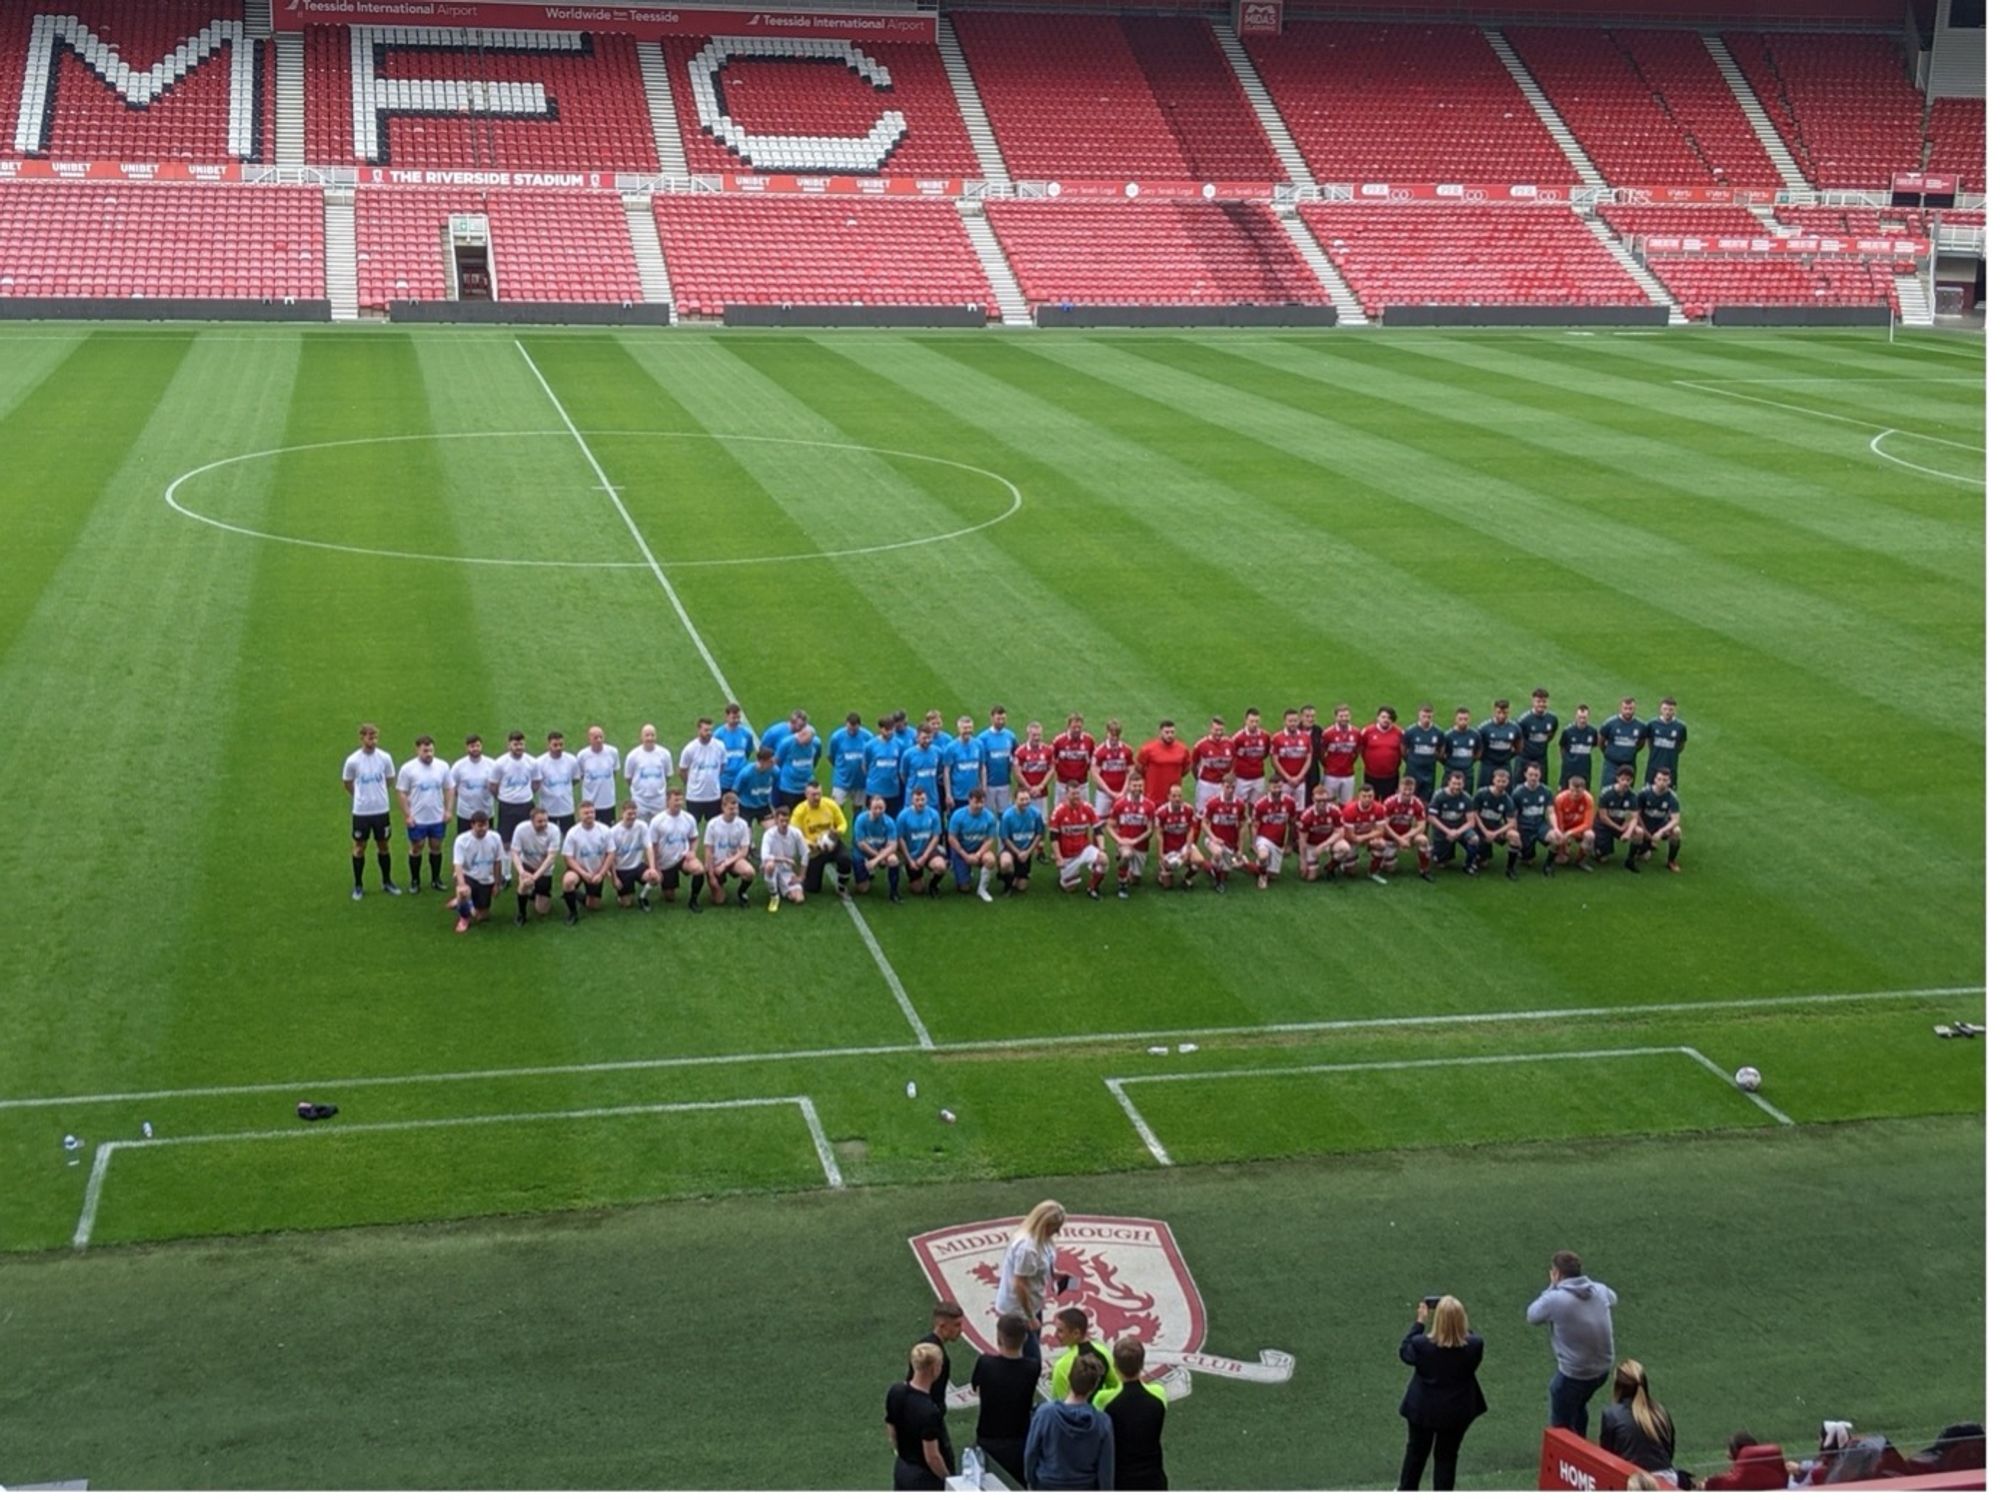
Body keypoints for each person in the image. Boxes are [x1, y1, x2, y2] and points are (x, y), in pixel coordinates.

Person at [1397, 1296, 1486, 1492]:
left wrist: (1419, 1323)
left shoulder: (1422, 1345)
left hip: (1423, 1410)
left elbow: (1405, 1351)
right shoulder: (1475, 1345)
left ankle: (1406, 1490)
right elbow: (1467, 1338)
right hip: (1457, 1411)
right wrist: (1457, 1322)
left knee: (1416, 1452)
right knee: (1447, 1456)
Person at [1527, 1250, 1618, 1437]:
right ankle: (1580, 1444)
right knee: (1578, 1404)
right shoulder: (1599, 1290)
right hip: (1602, 1370)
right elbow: (1613, 1298)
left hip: (1575, 1373)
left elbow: (1533, 1315)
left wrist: (1552, 1286)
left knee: (1561, 1424)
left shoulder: (1555, 1299)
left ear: (1558, 1274)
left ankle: (1567, 1454)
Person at [1025, 1351, 1115, 1492]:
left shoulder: (1044, 1414)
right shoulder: (1103, 1422)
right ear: (1094, 1386)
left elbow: (1031, 1453)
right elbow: (1106, 1470)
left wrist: (1030, 1481)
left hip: (1047, 1486)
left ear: (1069, 1378)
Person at [972, 1312, 1041, 1487]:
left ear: (998, 1337)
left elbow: (977, 1388)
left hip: (988, 1438)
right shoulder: (1032, 1368)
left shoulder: (985, 1363)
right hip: (1019, 1441)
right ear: (1025, 1338)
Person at [995, 1201, 1066, 1366]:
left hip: (1032, 1305)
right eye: (1055, 1227)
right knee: (1029, 1360)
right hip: (1018, 1311)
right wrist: (1029, 1317)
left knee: (1027, 1355)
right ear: (1044, 1225)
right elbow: (1019, 1284)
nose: (1058, 1232)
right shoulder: (1027, 1248)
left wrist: (1054, 1275)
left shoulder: (1043, 1239)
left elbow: (1042, 1262)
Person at [343, 723, 403, 899]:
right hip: (361, 812)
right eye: (370, 737)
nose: (373, 740)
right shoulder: (353, 760)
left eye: (375, 737)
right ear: (362, 738)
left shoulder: (385, 758)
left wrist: (378, 795)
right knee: (359, 847)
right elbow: (347, 783)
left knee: (383, 844)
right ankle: (358, 885)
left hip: (381, 810)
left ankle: (387, 881)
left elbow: (390, 779)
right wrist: (360, 796)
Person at [907, 1300, 965, 1473]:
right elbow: (935, 1396)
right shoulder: (939, 1360)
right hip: (931, 1422)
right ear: (942, 1325)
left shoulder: (921, 1347)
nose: (960, 1330)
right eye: (956, 1325)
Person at [1102, 1337, 1168, 1490]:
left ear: (1115, 1366)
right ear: (1143, 1363)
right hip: (1153, 1480)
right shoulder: (1158, 1395)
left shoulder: (1106, 1400)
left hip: (1121, 1480)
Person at [886, 1343, 950, 1491]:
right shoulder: (929, 1411)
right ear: (935, 1368)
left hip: (902, 1468)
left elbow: (891, 1428)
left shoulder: (896, 1392)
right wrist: (948, 1479)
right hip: (924, 1479)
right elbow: (932, 1457)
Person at [1599, 1360, 1675, 1478]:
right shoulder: (1660, 1412)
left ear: (1618, 1387)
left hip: (1636, 1481)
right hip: (1667, 1478)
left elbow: (1607, 1456)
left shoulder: (1612, 1414)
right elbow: (1669, 1451)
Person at [396, 734, 452, 893]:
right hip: (418, 817)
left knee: (436, 846)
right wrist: (407, 815)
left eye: (431, 750)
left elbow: (449, 788)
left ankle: (436, 879)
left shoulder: (442, 766)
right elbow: (401, 792)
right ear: (417, 750)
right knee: (416, 847)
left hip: (437, 817)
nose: (429, 754)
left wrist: (448, 810)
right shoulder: (408, 769)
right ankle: (415, 881)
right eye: (425, 751)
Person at [644, 788, 704, 911]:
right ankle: (646, 894)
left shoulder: (688, 818)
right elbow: (652, 845)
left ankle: (693, 900)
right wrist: (655, 866)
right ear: (667, 801)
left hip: (682, 857)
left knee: (699, 869)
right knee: (670, 897)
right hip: (665, 862)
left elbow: (695, 838)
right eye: (675, 800)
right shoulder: (657, 821)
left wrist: (692, 851)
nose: (678, 803)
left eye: (680, 800)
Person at [447, 810, 505, 935]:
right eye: (480, 826)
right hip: (469, 875)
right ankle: (464, 918)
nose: (483, 829)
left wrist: (497, 884)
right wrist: (462, 884)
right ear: (472, 825)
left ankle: (468, 903)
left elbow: (497, 862)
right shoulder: (462, 840)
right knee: (463, 892)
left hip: (486, 878)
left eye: (485, 825)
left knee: (482, 916)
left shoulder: (495, 838)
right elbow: (458, 864)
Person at [1048, 1308, 1122, 1406]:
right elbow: (1115, 1388)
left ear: (1076, 1333)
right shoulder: (1104, 1352)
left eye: (1060, 1331)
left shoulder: (1061, 1366)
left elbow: (1059, 1404)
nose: (1055, 1335)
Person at [789, 782, 849, 895]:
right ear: (806, 795)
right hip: (814, 850)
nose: (817, 797)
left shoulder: (830, 804)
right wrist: (810, 843)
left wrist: (837, 833)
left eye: (819, 794)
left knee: (845, 859)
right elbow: (794, 833)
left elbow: (843, 823)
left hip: (832, 843)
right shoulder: (800, 811)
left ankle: (842, 886)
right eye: (813, 795)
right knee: (812, 888)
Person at [559, 802, 614, 925]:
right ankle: (573, 913)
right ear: (579, 815)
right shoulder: (573, 832)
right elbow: (568, 857)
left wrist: (601, 874)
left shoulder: (604, 830)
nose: (589, 815)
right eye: (586, 813)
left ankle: (573, 894)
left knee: (594, 906)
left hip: (596, 871)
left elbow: (610, 853)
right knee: (568, 881)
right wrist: (583, 873)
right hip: (578, 870)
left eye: (592, 812)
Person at [1050, 785, 1108, 900]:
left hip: (1084, 849)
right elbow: (1053, 837)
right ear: (1066, 795)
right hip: (1066, 853)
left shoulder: (1087, 807)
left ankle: (1092, 888)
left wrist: (1101, 848)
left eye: (1078, 793)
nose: (1076, 796)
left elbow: (1098, 829)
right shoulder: (1059, 811)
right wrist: (1058, 857)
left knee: (1103, 859)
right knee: (1070, 889)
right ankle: (1065, 877)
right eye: (1073, 794)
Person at [701, 790, 757, 908]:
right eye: (731, 809)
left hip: (733, 860)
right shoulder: (713, 824)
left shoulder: (742, 824)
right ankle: (716, 886)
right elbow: (708, 851)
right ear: (723, 807)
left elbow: (744, 850)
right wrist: (711, 876)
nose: (734, 812)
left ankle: (742, 892)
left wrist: (726, 863)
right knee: (719, 901)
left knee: (749, 872)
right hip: (716, 862)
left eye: (736, 808)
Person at [489, 730, 541, 852]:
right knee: (505, 840)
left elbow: (536, 783)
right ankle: (506, 870)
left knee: (527, 837)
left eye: (521, 744)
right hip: (507, 806)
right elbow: (492, 785)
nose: (519, 747)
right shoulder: (500, 763)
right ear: (509, 745)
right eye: (515, 744)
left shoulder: (532, 762)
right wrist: (502, 797)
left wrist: (526, 794)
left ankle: (524, 868)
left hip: (526, 805)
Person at [509, 804, 560, 925]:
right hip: (527, 865)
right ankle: (521, 914)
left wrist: (535, 877)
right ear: (531, 821)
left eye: (546, 820)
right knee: (524, 884)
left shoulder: (554, 830)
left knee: (542, 910)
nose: (543, 824)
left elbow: (551, 858)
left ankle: (535, 892)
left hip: (544, 869)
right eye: (540, 821)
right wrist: (522, 872)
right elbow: (514, 852)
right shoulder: (521, 829)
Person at [947, 787, 1000, 901]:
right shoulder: (958, 815)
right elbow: (951, 838)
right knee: (964, 888)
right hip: (961, 850)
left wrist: (978, 854)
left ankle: (982, 889)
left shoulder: (989, 816)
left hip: (978, 849)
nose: (979, 805)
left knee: (990, 859)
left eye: (982, 802)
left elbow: (990, 839)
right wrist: (964, 855)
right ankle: (964, 873)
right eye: (976, 802)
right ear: (969, 800)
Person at [897, 787, 949, 899]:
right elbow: (900, 839)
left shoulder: (933, 814)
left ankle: (933, 885)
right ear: (912, 800)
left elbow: (936, 836)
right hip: (912, 852)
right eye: (917, 799)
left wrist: (924, 857)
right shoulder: (903, 816)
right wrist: (909, 860)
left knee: (940, 866)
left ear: (927, 800)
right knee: (917, 890)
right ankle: (913, 874)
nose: (920, 802)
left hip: (928, 851)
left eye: (922, 799)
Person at [1105, 782, 1155, 899]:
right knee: (1127, 855)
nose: (1137, 788)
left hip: (1141, 845)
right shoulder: (1120, 804)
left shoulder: (1149, 805)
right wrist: (1119, 840)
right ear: (1129, 787)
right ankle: (1122, 884)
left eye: (1140, 786)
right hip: (1125, 843)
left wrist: (1135, 840)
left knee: (1135, 880)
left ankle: (1123, 862)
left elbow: (1150, 830)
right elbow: (1109, 825)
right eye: (1134, 786)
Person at [1200, 773, 1248, 892]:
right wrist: (1213, 837)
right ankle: (1217, 884)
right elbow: (1204, 823)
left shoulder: (1240, 804)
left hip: (1230, 843)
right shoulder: (1213, 803)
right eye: (1227, 787)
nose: (1230, 790)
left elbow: (1242, 827)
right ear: (1222, 786)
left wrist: (1240, 848)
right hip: (1214, 840)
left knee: (1225, 873)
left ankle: (1204, 864)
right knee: (1218, 853)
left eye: (1233, 787)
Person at [1427, 771, 1481, 876]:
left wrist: (1457, 832)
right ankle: (1435, 850)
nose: (1457, 787)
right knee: (1441, 864)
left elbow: (1471, 822)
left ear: (1464, 784)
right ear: (1448, 783)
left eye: (1459, 784)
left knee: (1474, 839)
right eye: (1454, 783)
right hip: (1443, 831)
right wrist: (1448, 831)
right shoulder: (1439, 796)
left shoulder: (1467, 798)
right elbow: (1431, 818)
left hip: (1459, 829)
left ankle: (1469, 864)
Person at [850, 793, 902, 900]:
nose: (878, 811)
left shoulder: (889, 822)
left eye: (881, 808)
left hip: (880, 851)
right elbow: (861, 844)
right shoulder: (861, 820)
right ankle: (866, 874)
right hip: (862, 852)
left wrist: (877, 860)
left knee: (893, 860)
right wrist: (878, 857)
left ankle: (894, 892)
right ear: (869, 807)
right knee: (862, 889)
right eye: (875, 808)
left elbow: (893, 846)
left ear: (885, 808)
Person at [1382, 776, 1434, 883]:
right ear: (1399, 789)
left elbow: (1421, 826)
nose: (1407, 792)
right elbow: (1384, 826)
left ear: (1414, 789)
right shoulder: (1389, 802)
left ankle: (1424, 869)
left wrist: (1406, 837)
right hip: (1390, 837)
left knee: (1423, 840)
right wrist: (1399, 839)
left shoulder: (1417, 803)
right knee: (1390, 869)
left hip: (1406, 835)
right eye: (1404, 789)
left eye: (1410, 790)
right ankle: (1385, 859)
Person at [1152, 784, 1204, 891]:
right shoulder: (1161, 812)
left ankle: (1186, 878)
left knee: (1199, 860)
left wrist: (1188, 849)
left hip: (1183, 845)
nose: (1177, 799)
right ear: (1168, 797)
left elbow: (1190, 830)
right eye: (1174, 796)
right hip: (1168, 848)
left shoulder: (1188, 810)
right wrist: (1161, 855)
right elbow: (1159, 834)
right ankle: (1162, 871)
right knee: (1167, 886)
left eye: (1179, 796)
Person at [1338, 783, 1393, 884]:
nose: (1367, 799)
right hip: (1351, 838)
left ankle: (1373, 872)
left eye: (1370, 796)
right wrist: (1359, 838)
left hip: (1366, 836)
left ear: (1374, 796)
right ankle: (1346, 861)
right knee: (1350, 872)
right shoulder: (1349, 810)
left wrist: (1364, 837)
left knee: (1381, 844)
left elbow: (1380, 831)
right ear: (1359, 796)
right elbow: (1349, 835)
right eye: (1364, 796)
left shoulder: (1379, 808)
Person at [1510, 763, 1556, 879]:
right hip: (1524, 827)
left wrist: (1555, 828)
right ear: (1525, 775)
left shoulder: (1546, 791)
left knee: (1555, 837)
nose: (1533, 778)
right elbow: (1513, 816)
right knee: (1528, 860)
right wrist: (1515, 832)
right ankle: (1518, 859)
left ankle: (1548, 866)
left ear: (1540, 775)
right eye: (1531, 775)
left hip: (1540, 825)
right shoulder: (1518, 792)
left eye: (1536, 775)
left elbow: (1551, 812)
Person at [1595, 766, 1644, 872]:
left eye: (1628, 780)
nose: (1625, 783)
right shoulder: (1606, 793)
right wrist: (1619, 828)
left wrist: (1628, 832)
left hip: (1620, 823)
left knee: (1639, 832)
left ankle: (1630, 860)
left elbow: (1634, 817)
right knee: (1603, 859)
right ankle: (1600, 850)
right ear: (1617, 778)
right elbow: (1603, 817)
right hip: (1605, 826)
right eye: (1623, 779)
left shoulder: (1633, 796)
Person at [999, 786, 1048, 894]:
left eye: (1027, 799)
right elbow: (1005, 838)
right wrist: (1018, 852)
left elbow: (1039, 834)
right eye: (1021, 799)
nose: (1025, 802)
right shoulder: (1007, 816)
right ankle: (1007, 887)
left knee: (1021, 887)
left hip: (1026, 851)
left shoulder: (1036, 814)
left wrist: (1028, 852)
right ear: (1015, 800)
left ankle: (1014, 875)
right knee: (1006, 863)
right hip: (1011, 850)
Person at [678, 718, 728, 822]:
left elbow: (722, 766)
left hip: (714, 796)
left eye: (710, 730)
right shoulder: (690, 749)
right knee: (692, 826)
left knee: (715, 827)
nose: (709, 733)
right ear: (699, 730)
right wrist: (691, 783)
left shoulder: (720, 746)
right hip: (695, 797)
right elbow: (682, 770)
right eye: (706, 730)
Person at [757, 804, 805, 910]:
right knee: (769, 865)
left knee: (799, 899)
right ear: (775, 820)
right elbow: (765, 857)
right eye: (781, 821)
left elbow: (805, 854)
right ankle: (774, 896)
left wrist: (801, 876)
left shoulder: (796, 833)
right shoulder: (769, 835)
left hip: (787, 870)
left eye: (786, 821)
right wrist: (784, 859)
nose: (784, 824)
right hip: (773, 866)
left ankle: (780, 885)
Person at [1701, 1432, 1787, 1490]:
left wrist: (1708, 1484)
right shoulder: (1780, 1473)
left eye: (1728, 1449)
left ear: (1735, 1451)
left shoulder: (1735, 1480)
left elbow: (1729, 1483)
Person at [449, 733, 495, 840]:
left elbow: (496, 785)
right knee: (464, 841)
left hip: (486, 812)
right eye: (472, 746)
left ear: (481, 746)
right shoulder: (459, 766)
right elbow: (452, 788)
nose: (475, 749)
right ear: (467, 747)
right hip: (465, 813)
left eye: (477, 746)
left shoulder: (491, 764)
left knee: (487, 841)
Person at [623, 723, 673, 820]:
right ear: (641, 737)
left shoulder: (665, 754)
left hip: (659, 799)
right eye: (647, 735)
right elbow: (628, 777)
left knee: (659, 828)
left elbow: (667, 775)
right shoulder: (633, 756)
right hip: (640, 800)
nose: (650, 738)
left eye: (652, 735)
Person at [536, 730, 581, 836]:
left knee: (569, 837)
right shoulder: (540, 762)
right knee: (547, 838)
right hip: (547, 810)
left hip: (567, 808)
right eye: (555, 745)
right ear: (548, 745)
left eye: (561, 744)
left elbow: (575, 779)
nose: (558, 748)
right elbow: (536, 782)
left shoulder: (571, 760)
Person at [608, 800, 652, 911]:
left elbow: (649, 847)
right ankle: (621, 895)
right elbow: (610, 857)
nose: (632, 817)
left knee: (655, 877)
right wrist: (614, 877)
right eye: (629, 814)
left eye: (634, 814)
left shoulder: (642, 826)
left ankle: (642, 897)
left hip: (637, 865)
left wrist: (652, 867)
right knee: (626, 904)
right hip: (622, 869)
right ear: (622, 813)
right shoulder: (613, 832)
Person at [1636, 770, 1682, 873]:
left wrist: (1661, 831)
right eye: (1659, 779)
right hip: (1645, 826)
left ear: (1669, 781)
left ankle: (1671, 861)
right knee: (1645, 857)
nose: (1661, 782)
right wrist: (1646, 833)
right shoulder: (1644, 793)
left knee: (1677, 831)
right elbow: (1636, 815)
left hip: (1661, 826)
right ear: (1654, 780)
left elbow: (1675, 819)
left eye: (1665, 780)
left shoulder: (1672, 797)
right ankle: (1645, 847)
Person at [1250, 782, 1293, 891]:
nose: (1277, 790)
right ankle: (1262, 877)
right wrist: (1254, 843)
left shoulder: (1289, 802)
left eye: (1279, 787)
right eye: (1274, 787)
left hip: (1279, 842)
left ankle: (1245, 864)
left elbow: (1292, 823)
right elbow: (1254, 826)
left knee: (1272, 875)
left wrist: (1289, 843)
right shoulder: (1261, 804)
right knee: (1263, 856)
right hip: (1264, 838)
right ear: (1269, 787)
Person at [1136, 720, 1191, 806]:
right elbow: (1139, 768)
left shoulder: (1183, 749)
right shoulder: (1147, 749)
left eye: (1172, 732)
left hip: (1174, 797)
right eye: (1167, 732)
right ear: (1160, 733)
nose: (1170, 735)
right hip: (1153, 796)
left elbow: (1186, 769)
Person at [1297, 783, 1343, 883]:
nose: (1322, 803)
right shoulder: (1306, 816)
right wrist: (1303, 861)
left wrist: (1324, 845)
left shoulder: (1335, 811)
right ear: (1313, 799)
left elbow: (1340, 832)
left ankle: (1330, 867)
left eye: (1324, 800)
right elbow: (1302, 841)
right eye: (1319, 801)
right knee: (1310, 878)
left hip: (1329, 842)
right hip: (1312, 845)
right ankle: (1311, 864)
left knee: (1344, 848)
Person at [774, 720, 822, 815]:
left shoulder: (816, 743)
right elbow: (777, 761)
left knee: (807, 814)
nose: (802, 744)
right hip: (789, 787)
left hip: (806, 787)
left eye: (806, 743)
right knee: (789, 815)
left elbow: (816, 758)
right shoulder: (786, 743)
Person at [825, 712, 871, 807]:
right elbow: (831, 756)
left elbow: (871, 756)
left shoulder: (867, 737)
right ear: (846, 724)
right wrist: (840, 768)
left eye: (855, 729)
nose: (852, 732)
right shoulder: (837, 737)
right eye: (850, 729)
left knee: (858, 807)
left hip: (860, 781)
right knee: (836, 807)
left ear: (859, 725)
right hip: (841, 781)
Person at [1599, 698, 1647, 788]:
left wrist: (1631, 752)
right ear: (1620, 708)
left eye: (1630, 708)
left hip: (1629, 763)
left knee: (1626, 791)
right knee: (1608, 790)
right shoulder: (1610, 724)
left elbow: (1641, 743)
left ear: (1634, 709)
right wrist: (1609, 753)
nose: (1628, 711)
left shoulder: (1640, 726)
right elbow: (1601, 741)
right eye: (1625, 708)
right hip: (1611, 764)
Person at [1551, 776, 1596, 872]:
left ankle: (1580, 861)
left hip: (1579, 828)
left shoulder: (1588, 799)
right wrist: (1563, 840)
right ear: (1568, 788)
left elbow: (1588, 824)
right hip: (1564, 828)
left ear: (1584, 789)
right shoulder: (1560, 799)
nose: (1575, 794)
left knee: (1590, 835)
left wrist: (1571, 833)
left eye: (1578, 792)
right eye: (1572, 791)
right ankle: (1563, 850)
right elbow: (1560, 822)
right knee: (1561, 861)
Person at [1359, 706, 1404, 801]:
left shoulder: (1399, 733)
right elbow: (1360, 748)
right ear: (1378, 717)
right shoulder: (1367, 731)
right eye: (1383, 717)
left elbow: (1403, 752)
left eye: (1389, 718)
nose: (1386, 720)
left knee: (1388, 802)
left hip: (1391, 777)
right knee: (1370, 802)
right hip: (1371, 775)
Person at [1092, 720, 1136, 817]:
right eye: (1112, 735)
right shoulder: (1099, 751)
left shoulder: (1127, 750)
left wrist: (1123, 791)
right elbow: (1095, 775)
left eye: (1117, 735)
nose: (1114, 738)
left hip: (1122, 792)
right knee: (1100, 820)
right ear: (1107, 733)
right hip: (1104, 793)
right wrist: (1110, 792)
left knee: (1123, 818)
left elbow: (1131, 772)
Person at [1191, 716, 1235, 814]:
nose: (1219, 733)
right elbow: (1194, 765)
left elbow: (1233, 762)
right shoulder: (1201, 745)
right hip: (1206, 784)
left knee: (1221, 811)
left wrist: (1228, 779)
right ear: (1210, 729)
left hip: (1222, 785)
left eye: (1221, 730)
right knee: (1201, 812)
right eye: (1216, 730)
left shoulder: (1230, 744)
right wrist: (1200, 779)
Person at [1271, 709, 1314, 809]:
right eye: (1290, 721)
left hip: (1300, 782)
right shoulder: (1277, 738)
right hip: (1284, 782)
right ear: (1285, 722)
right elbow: (1274, 760)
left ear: (1298, 721)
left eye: (1295, 721)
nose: (1293, 723)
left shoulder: (1305, 737)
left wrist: (1299, 777)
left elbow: (1308, 758)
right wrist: (1288, 777)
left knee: (1299, 810)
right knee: (1283, 809)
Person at [1319, 705, 1360, 806]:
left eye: (1346, 716)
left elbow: (1357, 751)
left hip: (1348, 775)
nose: (1344, 719)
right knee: (1328, 803)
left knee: (1346, 803)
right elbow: (1321, 752)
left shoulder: (1356, 732)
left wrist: (1349, 763)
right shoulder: (1328, 733)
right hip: (1331, 775)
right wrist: (1328, 765)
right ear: (1336, 717)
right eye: (1341, 716)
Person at [1476, 700, 1522, 789]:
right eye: (1499, 712)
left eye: (1505, 713)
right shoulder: (1484, 728)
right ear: (1494, 711)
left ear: (1509, 712)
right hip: (1488, 765)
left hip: (1505, 765)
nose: (1502, 715)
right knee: (1484, 792)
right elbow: (1477, 748)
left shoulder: (1515, 728)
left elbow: (1519, 747)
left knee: (1506, 793)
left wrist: (1508, 756)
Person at [1052, 714, 1096, 809]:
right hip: (1063, 784)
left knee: (1084, 811)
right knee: (1060, 811)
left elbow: (1093, 761)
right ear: (1068, 726)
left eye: (1079, 727)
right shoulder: (1059, 741)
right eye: (1074, 727)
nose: (1077, 730)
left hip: (1082, 784)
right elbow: (1052, 761)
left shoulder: (1089, 741)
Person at [901, 725, 946, 816]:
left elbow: (940, 770)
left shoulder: (937, 752)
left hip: (932, 799)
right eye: (924, 738)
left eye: (929, 738)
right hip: (913, 800)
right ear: (917, 738)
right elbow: (903, 775)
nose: (927, 741)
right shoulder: (908, 754)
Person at [576, 725, 621, 818]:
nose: (599, 740)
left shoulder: (613, 752)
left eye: (601, 737)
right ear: (589, 739)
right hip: (590, 803)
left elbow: (614, 772)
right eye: (596, 738)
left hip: (608, 802)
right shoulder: (582, 756)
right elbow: (580, 776)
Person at [1402, 704, 1444, 804]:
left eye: (1429, 717)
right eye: (1424, 716)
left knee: (1426, 798)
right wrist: (1411, 760)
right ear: (1419, 715)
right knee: (1410, 795)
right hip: (1413, 770)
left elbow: (1441, 750)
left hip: (1429, 771)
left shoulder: (1438, 732)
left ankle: (1423, 817)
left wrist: (1433, 759)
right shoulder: (1410, 731)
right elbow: (1403, 750)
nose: (1426, 719)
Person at [1013, 721, 1056, 817]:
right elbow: (1017, 771)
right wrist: (1028, 788)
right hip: (1025, 794)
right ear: (1028, 735)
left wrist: (1041, 786)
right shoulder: (1020, 751)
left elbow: (1052, 769)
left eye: (1039, 735)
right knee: (1025, 818)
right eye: (1034, 735)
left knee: (1042, 820)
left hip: (1042, 793)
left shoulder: (1047, 750)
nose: (1037, 738)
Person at [944, 716, 985, 815]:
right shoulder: (951, 748)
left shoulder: (979, 745)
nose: (967, 731)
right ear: (959, 729)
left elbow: (982, 768)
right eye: (965, 728)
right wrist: (948, 794)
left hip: (975, 794)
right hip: (958, 795)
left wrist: (984, 787)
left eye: (970, 728)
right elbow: (947, 772)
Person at [1516, 689, 1558, 785]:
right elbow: (1517, 739)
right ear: (1533, 702)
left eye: (1544, 701)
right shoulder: (1524, 720)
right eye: (1538, 701)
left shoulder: (1552, 719)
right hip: (1525, 758)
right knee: (1520, 786)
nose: (1541, 704)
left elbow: (1551, 735)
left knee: (1541, 785)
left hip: (1541, 758)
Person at [978, 705, 1018, 805]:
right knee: (989, 813)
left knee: (1004, 813)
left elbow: (1016, 757)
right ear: (992, 718)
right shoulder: (983, 738)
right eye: (998, 719)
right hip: (988, 784)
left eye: (1003, 719)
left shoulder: (1010, 736)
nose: (1001, 721)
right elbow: (980, 763)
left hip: (1005, 783)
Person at [1231, 708, 1271, 805]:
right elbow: (1232, 755)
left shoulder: (1265, 736)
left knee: (1256, 805)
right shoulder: (1238, 738)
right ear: (1246, 721)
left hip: (1258, 777)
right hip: (1242, 778)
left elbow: (1265, 753)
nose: (1254, 724)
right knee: (1239, 804)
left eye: (1257, 721)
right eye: (1251, 721)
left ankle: (1252, 820)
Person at [731, 746, 778, 825]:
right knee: (746, 834)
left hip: (763, 805)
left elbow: (778, 784)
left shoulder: (774, 770)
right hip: (746, 807)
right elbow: (734, 792)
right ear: (762, 762)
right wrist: (736, 808)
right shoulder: (746, 773)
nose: (773, 763)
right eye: (770, 761)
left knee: (773, 830)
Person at [1644, 699, 1686, 788]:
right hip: (1653, 766)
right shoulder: (1652, 724)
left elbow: (1681, 745)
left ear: (1675, 710)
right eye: (1665, 709)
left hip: (1671, 767)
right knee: (1648, 794)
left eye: (1671, 709)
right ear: (1660, 709)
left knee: (1669, 795)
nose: (1667, 712)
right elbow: (1649, 742)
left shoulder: (1680, 727)